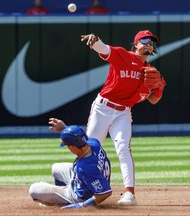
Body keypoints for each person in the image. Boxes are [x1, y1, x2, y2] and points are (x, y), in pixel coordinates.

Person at [75, 30, 164, 205]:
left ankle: (129, 194)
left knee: (123, 148)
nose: (148, 44)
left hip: (123, 112)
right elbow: (105, 50)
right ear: (136, 43)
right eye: (144, 40)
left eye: (151, 42)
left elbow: (154, 99)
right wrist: (95, 40)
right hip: (103, 108)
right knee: (89, 149)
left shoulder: (151, 73)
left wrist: (159, 86)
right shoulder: (123, 55)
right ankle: (80, 189)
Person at [29, 121, 112, 209]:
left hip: (80, 196)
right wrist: (65, 128)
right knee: (56, 167)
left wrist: (82, 205)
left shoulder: (85, 167)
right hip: (90, 179)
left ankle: (66, 200)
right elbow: (77, 136)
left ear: (72, 147)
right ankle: (60, 196)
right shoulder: (93, 143)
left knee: (34, 189)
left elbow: (105, 193)